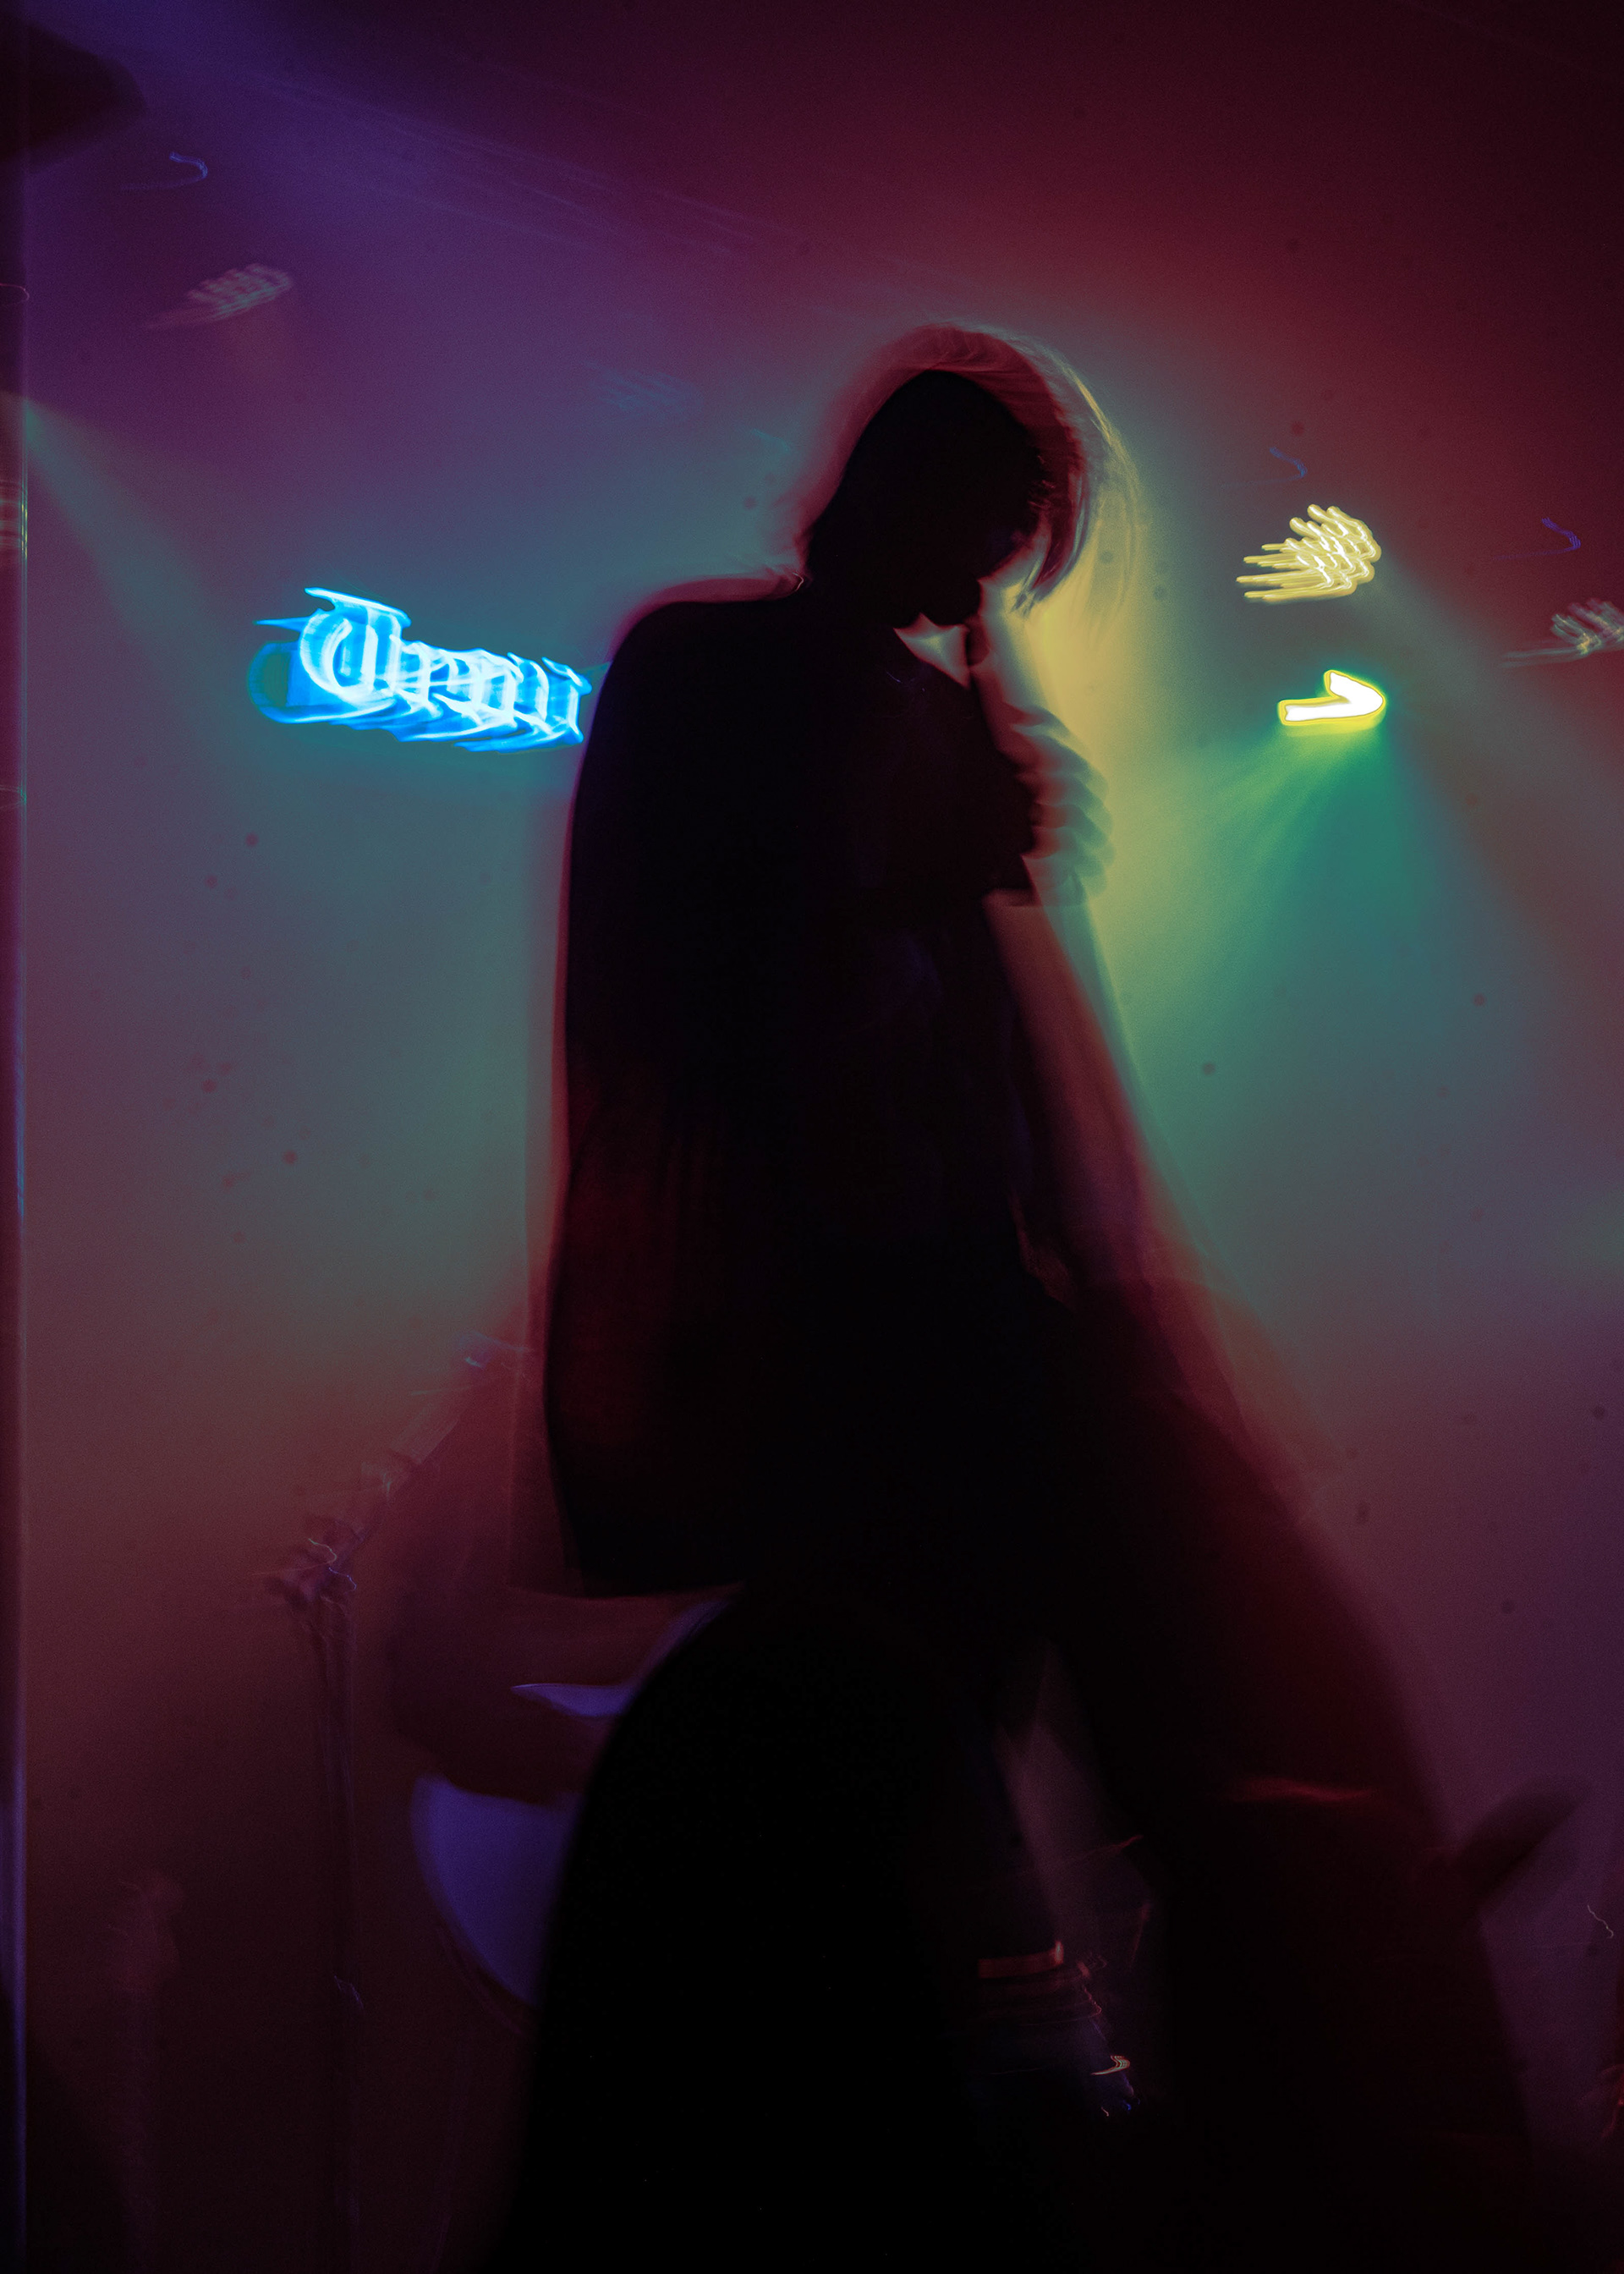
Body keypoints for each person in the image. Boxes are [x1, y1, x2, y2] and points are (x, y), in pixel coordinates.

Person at [471, 330, 1575, 2271]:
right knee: (914, 1796)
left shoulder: (901, 709)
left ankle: (1308, 2043)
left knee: (1057, 1729)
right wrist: (924, 870)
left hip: (965, 1323)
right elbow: (716, 994)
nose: (984, 584)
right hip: (838, 1357)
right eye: (981, 531)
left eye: (1008, 548)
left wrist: (1114, 1275)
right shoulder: (710, 671)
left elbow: (983, 1061)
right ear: (895, 488)